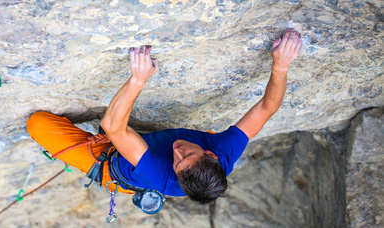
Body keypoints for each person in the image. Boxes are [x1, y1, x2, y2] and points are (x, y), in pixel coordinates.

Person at [27, 28, 302, 205]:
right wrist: (281, 65)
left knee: (37, 123)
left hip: (111, 163)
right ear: (213, 156)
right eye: (189, 155)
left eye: (178, 163)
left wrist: (138, 79)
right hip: (134, 144)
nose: (178, 151)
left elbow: (112, 127)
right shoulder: (225, 150)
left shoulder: (164, 176)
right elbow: (268, 108)